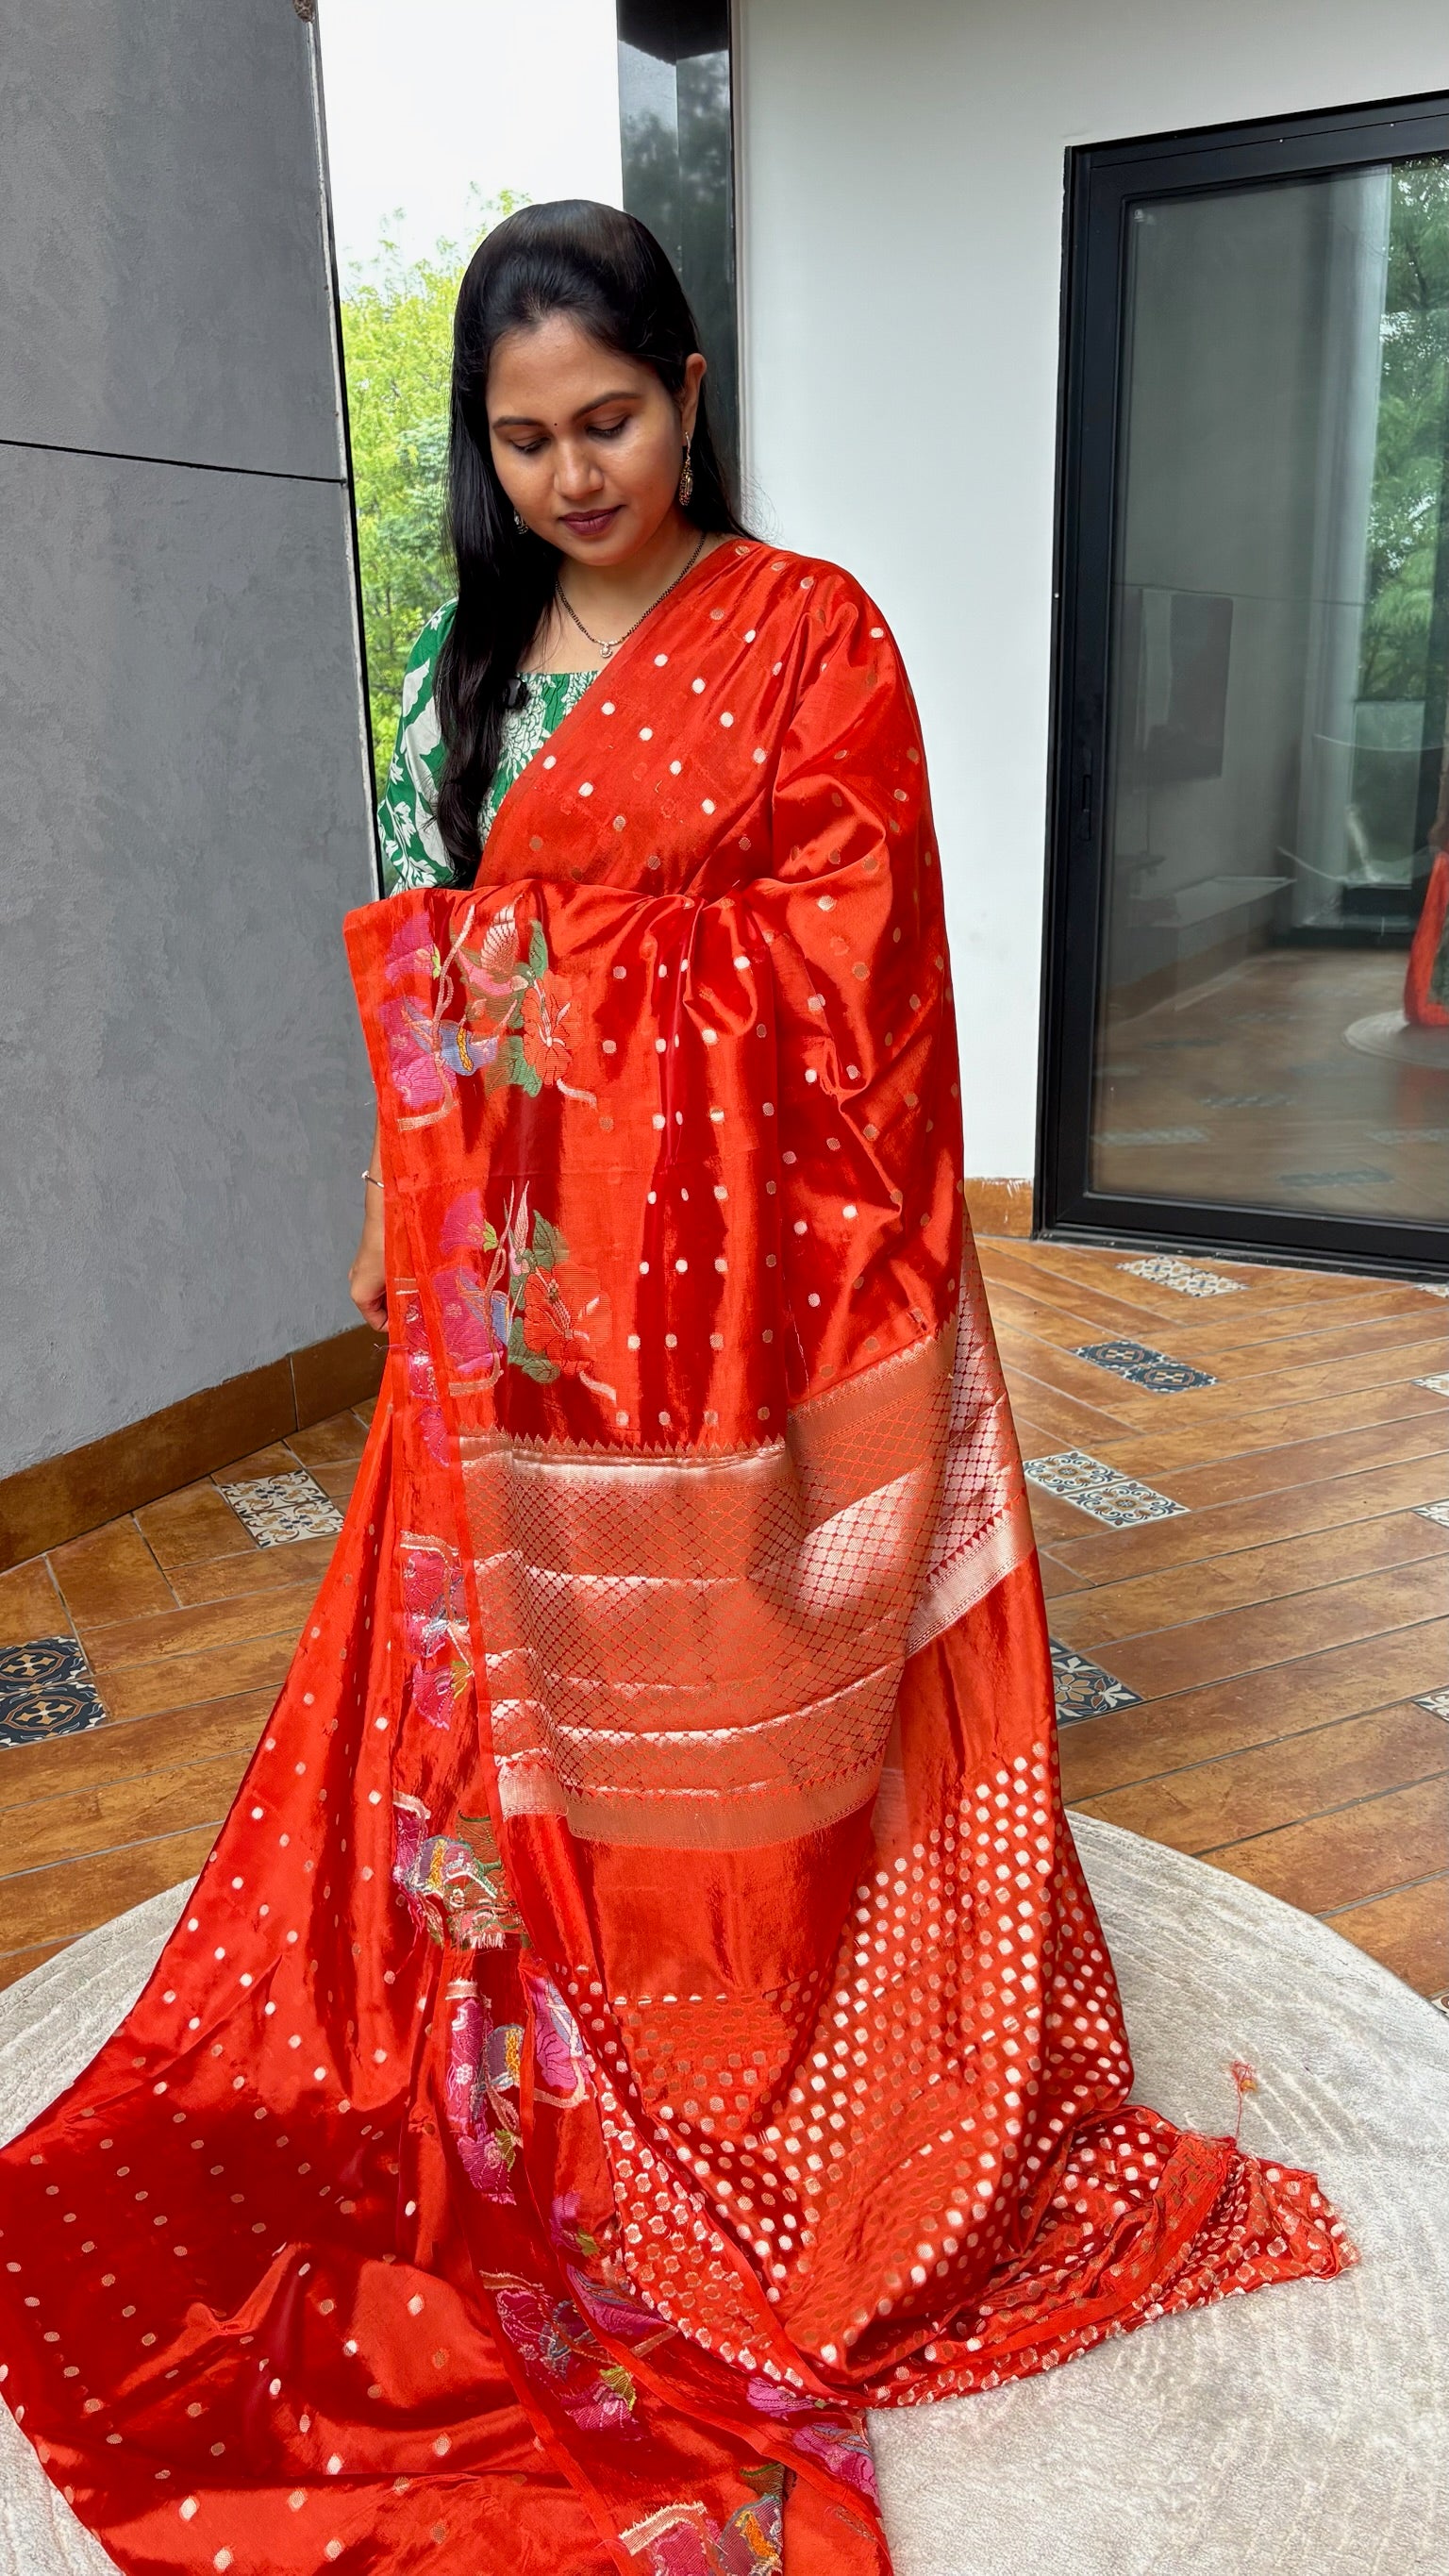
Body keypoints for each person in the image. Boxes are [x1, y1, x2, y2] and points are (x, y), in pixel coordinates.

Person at [0, 202, 1352, 2576]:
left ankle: (760, 2018)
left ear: (693, 390)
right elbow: (439, 967)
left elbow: (863, 978)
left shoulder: (813, 638)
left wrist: (589, 1007)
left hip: (754, 1292)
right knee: (497, 1711)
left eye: (606, 420)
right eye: (521, 438)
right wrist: (388, 1199)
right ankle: (554, 2025)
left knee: (754, 1664)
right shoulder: (460, 673)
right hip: (519, 1290)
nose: (568, 472)